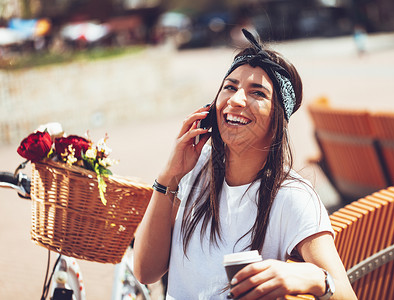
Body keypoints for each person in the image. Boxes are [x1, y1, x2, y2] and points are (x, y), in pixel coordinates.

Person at [134, 29, 357, 300]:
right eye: (230, 87)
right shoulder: (195, 171)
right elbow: (146, 272)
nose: (236, 100)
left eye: (257, 93)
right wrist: (169, 177)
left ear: (277, 122)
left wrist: (312, 277)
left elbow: (345, 294)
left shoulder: (292, 197)